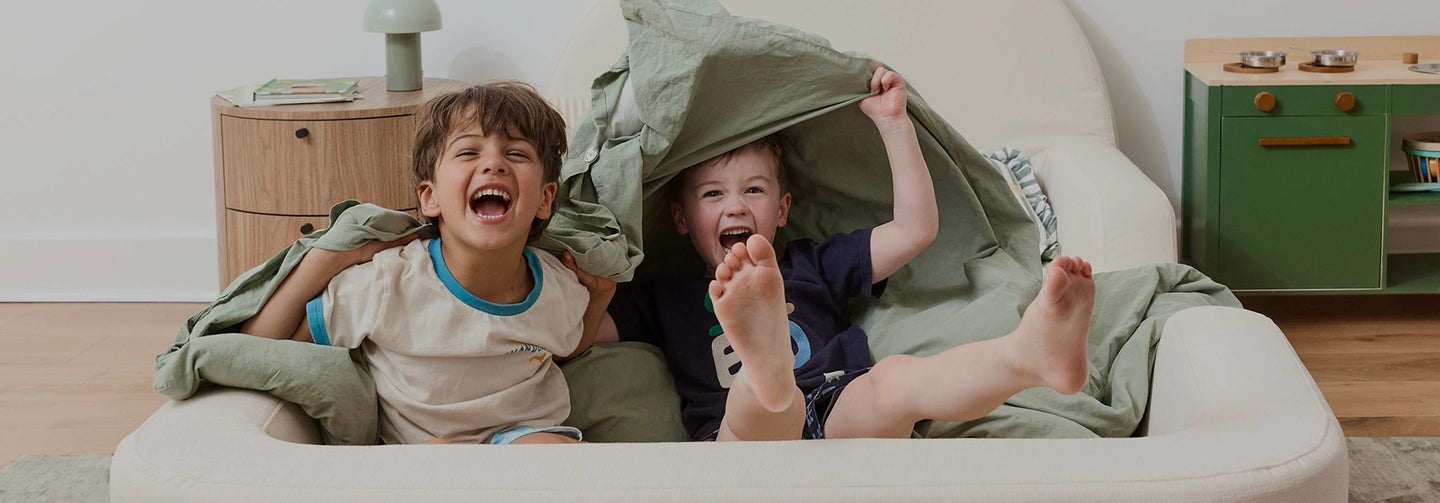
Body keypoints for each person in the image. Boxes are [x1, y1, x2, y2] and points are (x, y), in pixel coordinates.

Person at [586, 63, 1096, 441]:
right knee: (756, 407)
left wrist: (895, 125)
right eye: (713, 194)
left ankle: (1027, 355)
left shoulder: (810, 265)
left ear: (783, 209)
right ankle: (767, 370)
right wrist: (596, 276)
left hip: (838, 411)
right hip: (738, 441)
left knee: (894, 381)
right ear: (680, 218)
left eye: (754, 191)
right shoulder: (663, 298)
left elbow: (914, 230)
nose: (735, 206)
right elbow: (576, 339)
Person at [238, 81, 615, 446]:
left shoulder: (558, 283)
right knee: (441, 460)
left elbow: (567, 344)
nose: (494, 164)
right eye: (468, 152)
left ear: (546, 200)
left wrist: (598, 301)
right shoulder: (388, 282)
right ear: (430, 198)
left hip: (523, 434)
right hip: (425, 449)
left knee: (553, 454)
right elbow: (260, 343)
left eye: (516, 153)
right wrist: (322, 262)